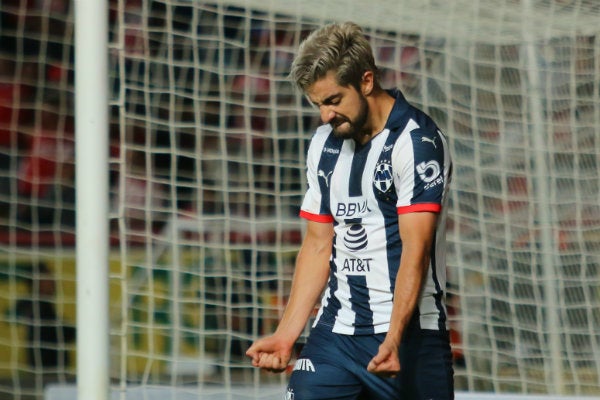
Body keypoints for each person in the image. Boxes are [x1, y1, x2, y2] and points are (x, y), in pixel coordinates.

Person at [246, 22, 454, 399]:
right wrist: (285, 335)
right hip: (335, 337)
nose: (325, 115)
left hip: (410, 337)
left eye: (333, 100)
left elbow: (416, 251)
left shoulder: (417, 143)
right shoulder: (323, 145)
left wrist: (392, 339)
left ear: (367, 80)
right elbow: (316, 245)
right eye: (318, 104)